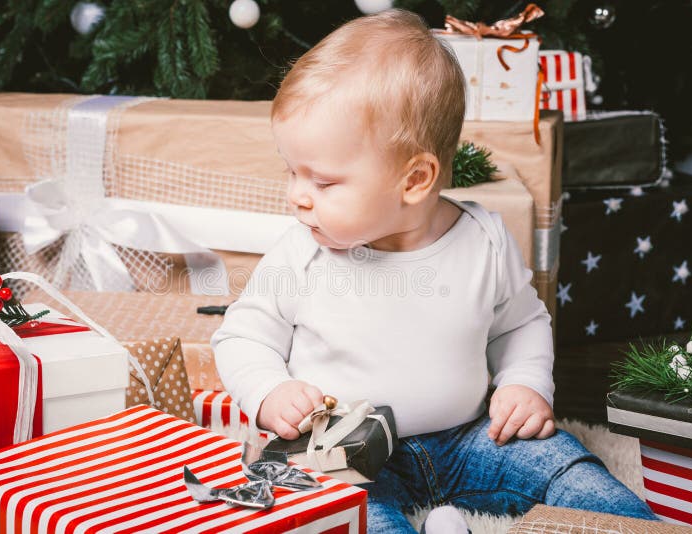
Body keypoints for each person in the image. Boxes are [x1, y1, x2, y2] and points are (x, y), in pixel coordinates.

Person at [210, 9, 657, 532]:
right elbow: (241, 335)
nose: (298, 197)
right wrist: (269, 392)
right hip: (344, 451)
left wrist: (524, 383)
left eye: (324, 182)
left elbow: (521, 324)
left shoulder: (483, 240)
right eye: (292, 172)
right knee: (339, 511)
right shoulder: (300, 255)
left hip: (470, 437)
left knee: (568, 468)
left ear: (415, 179)